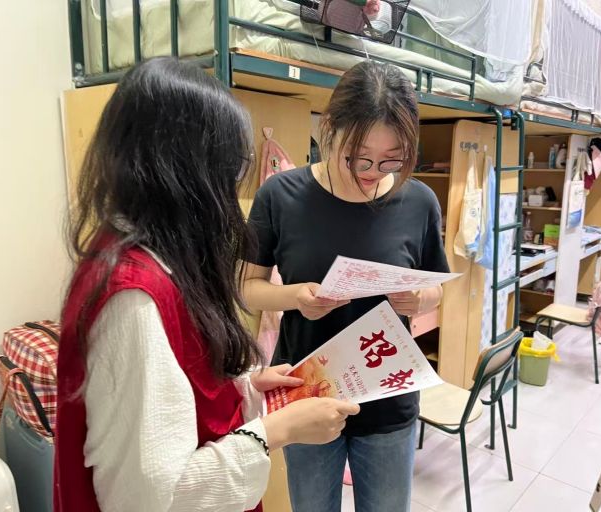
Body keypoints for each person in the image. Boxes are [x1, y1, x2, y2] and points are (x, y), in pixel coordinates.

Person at [54, 56, 362, 511]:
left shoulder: (148, 259)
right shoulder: (134, 296)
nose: (230, 192)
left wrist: (247, 388)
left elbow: (179, 399)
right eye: (228, 171)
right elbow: (151, 497)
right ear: (185, 173)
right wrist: (276, 431)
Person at [240, 60, 446, 511]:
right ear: (330, 127)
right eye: (359, 156)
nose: (373, 171)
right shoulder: (280, 196)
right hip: (307, 394)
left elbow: (436, 288)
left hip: (387, 397)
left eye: (392, 159)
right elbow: (247, 288)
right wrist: (294, 297)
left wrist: (417, 298)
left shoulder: (419, 201)